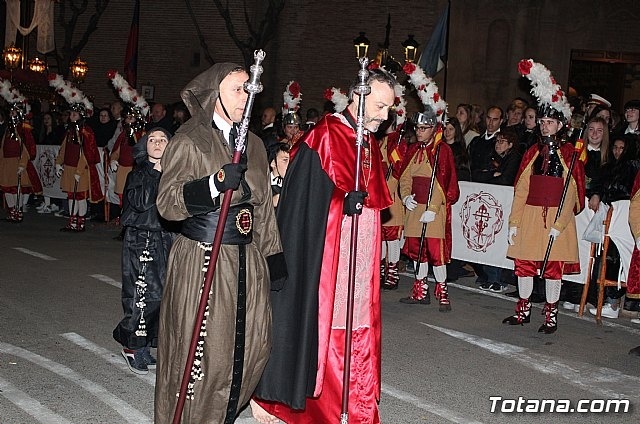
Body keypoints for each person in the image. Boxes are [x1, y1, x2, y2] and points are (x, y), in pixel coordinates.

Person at [252, 68, 395, 424]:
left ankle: (358, 402)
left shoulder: (370, 142)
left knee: (360, 322)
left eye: (389, 108)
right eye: (380, 106)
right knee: (331, 326)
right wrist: (339, 203)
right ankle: (327, 407)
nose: (385, 116)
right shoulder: (326, 136)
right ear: (359, 98)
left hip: (361, 259)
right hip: (331, 258)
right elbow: (303, 203)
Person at [154, 63, 285, 424]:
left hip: (248, 259)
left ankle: (223, 415)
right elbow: (168, 202)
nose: (247, 97)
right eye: (238, 89)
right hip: (203, 258)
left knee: (252, 346)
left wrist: (274, 261)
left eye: (250, 90)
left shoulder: (256, 145)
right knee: (204, 355)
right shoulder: (189, 139)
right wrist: (213, 184)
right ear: (214, 95)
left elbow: (262, 212)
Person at [503, 59, 585, 333]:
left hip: (556, 220)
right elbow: (521, 189)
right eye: (542, 121)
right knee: (524, 264)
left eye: (549, 122)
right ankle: (522, 309)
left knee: (552, 269)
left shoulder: (571, 155)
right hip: (530, 216)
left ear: (560, 125)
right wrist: (514, 222)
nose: (544, 126)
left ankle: (550, 315)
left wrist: (560, 226)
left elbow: (571, 192)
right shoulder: (532, 152)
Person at [113, 127, 176, 375]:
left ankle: (146, 344)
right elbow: (140, 203)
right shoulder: (138, 174)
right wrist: (156, 174)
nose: (158, 143)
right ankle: (131, 345)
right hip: (142, 239)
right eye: (152, 140)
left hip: (166, 238)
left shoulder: (174, 173)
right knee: (142, 295)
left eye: (163, 139)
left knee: (163, 297)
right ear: (144, 145)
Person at [398, 111, 459, 309]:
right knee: (417, 250)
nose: (419, 132)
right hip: (415, 206)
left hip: (434, 208)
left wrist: (432, 208)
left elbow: (444, 182)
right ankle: (420, 289)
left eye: (424, 128)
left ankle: (443, 291)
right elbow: (405, 177)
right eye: (417, 128)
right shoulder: (413, 149)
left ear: (434, 129)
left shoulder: (442, 150)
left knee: (435, 251)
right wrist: (405, 196)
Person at [472, 128, 521, 292]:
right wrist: (493, 174)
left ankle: (498, 278)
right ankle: (488, 275)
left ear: (510, 145)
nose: (498, 145)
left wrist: (491, 175)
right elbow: (477, 175)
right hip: (490, 202)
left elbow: (506, 179)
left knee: (497, 240)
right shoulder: (492, 157)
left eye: (502, 142)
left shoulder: (514, 158)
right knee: (486, 238)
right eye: (497, 141)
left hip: (503, 203)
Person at [0, 81, 42, 223]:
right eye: (10, 112)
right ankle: (11, 211)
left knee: (16, 188)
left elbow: (27, 147)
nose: (11, 114)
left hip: (18, 161)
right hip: (6, 162)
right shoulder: (8, 128)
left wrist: (23, 163)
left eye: (14, 112)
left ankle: (18, 210)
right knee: (6, 188)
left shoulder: (23, 128)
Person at [267, 142, 290, 208]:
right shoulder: (261, 184)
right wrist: (270, 203)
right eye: (285, 160)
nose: (290, 164)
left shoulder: (296, 183)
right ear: (273, 163)